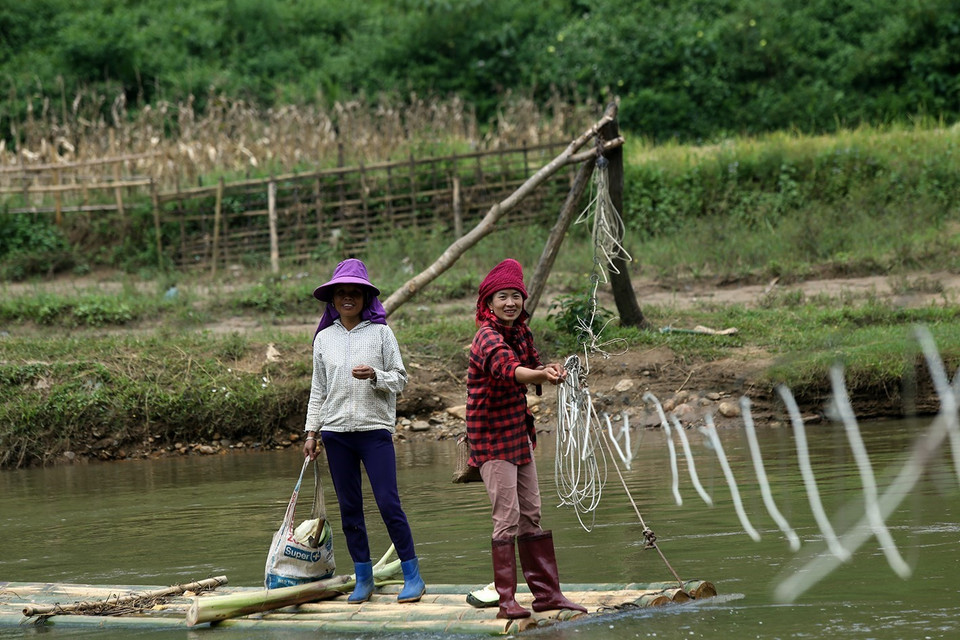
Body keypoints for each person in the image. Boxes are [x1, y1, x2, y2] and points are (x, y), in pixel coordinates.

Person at [466, 258, 588, 620]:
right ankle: (506, 602)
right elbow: (511, 370)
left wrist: (551, 370)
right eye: (502, 297)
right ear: (488, 303)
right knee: (506, 517)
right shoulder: (486, 336)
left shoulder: (521, 332)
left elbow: (533, 367)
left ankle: (547, 595)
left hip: (518, 433)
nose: (510, 303)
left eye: (515, 297)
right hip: (489, 436)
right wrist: (538, 374)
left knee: (531, 514)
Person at [302, 258, 425, 604]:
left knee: (388, 503)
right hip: (336, 433)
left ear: (365, 298)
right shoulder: (324, 339)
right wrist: (312, 433)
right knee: (349, 509)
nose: (347, 299)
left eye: (354, 293)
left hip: (374, 432)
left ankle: (413, 575)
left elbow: (400, 380)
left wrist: (375, 375)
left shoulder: (381, 333)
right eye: (341, 293)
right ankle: (363, 578)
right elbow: (318, 390)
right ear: (333, 299)